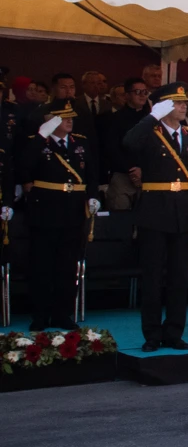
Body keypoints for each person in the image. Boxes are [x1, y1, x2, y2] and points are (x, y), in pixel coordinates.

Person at [124, 82, 188, 352]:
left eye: (184, 102)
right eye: (178, 102)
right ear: (163, 106)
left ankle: (174, 331)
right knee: (152, 276)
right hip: (155, 211)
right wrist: (152, 116)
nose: (184, 106)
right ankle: (151, 333)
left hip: (183, 212)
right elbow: (128, 143)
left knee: (177, 276)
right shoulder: (150, 132)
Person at [19, 100, 98, 331]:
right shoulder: (36, 143)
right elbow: (23, 166)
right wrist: (42, 136)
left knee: (67, 267)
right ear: (50, 120)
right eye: (63, 118)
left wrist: (93, 195)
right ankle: (40, 315)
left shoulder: (80, 143)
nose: (69, 121)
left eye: (70, 117)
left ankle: (62, 314)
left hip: (73, 211)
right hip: (45, 211)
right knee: (42, 266)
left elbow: (92, 174)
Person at [100, 77, 149, 210]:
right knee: (120, 221)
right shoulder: (114, 119)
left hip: (148, 175)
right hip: (123, 175)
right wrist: (132, 170)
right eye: (137, 92)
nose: (142, 95)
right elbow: (111, 148)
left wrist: (143, 169)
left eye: (145, 92)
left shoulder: (152, 119)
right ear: (127, 95)